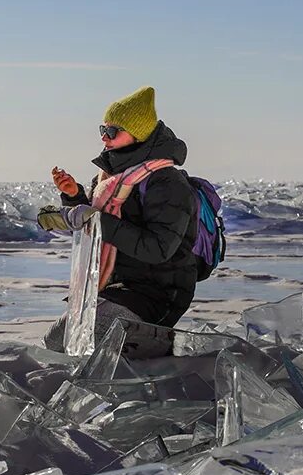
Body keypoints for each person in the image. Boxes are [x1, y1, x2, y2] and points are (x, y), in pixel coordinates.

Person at [37, 86, 198, 359]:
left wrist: (96, 220)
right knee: (57, 341)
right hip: (117, 286)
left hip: (159, 292)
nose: (104, 137)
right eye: (103, 129)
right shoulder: (109, 178)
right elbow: (95, 221)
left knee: (89, 335)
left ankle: (161, 353)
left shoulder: (167, 182)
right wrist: (74, 197)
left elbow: (157, 249)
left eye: (112, 131)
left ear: (138, 133)